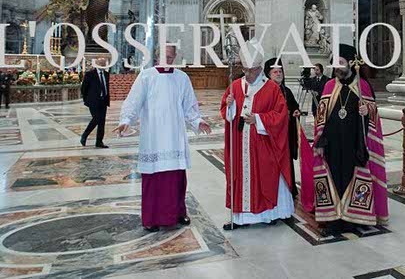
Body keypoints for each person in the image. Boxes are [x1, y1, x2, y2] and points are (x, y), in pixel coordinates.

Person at [115, 45, 211, 232]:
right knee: (153, 179)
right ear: (157, 56)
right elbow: (133, 102)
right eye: (165, 55)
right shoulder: (146, 76)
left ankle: (178, 213)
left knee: (176, 179)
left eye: (171, 56)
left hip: (175, 136)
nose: (168, 59)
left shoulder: (182, 78)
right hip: (154, 137)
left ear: (175, 57)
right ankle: (151, 218)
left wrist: (198, 121)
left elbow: (189, 105)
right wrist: (126, 120)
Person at [303, 44, 388, 235]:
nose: (337, 67)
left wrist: (367, 110)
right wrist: (320, 142)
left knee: (353, 178)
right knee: (333, 179)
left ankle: (353, 218)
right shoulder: (329, 86)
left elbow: (374, 117)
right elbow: (321, 118)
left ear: (350, 63)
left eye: (340, 63)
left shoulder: (363, 86)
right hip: (332, 145)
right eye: (334, 63)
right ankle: (333, 219)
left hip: (355, 144)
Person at [220, 39, 294, 230]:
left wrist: (259, 119)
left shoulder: (272, 88)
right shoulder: (235, 86)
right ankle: (240, 218)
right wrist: (230, 106)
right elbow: (227, 114)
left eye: (251, 70)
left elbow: (281, 116)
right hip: (240, 146)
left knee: (265, 177)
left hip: (263, 145)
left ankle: (270, 214)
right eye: (245, 70)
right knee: (240, 178)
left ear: (260, 68)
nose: (247, 74)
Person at [264, 57, 300, 199]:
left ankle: (290, 188)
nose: (279, 74)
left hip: (286, 134)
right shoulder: (265, 92)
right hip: (272, 135)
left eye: (280, 71)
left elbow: (294, 106)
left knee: (287, 161)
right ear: (268, 75)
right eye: (275, 72)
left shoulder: (287, 91)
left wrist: (296, 111)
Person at [80, 57, 110, 148]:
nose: (103, 65)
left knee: (102, 122)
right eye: (101, 63)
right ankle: (85, 135)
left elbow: (106, 87)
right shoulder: (90, 74)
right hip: (93, 101)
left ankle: (99, 141)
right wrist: (87, 100)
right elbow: (83, 88)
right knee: (96, 118)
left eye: (104, 64)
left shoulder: (106, 74)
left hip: (103, 101)